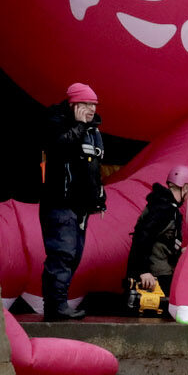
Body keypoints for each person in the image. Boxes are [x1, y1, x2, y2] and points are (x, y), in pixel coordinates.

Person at [37, 83, 108, 321]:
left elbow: (94, 167)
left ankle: (59, 303)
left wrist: (100, 197)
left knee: (74, 254)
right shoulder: (56, 121)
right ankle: (55, 306)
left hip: (81, 206)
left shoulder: (93, 130)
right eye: (87, 104)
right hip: (59, 202)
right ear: (74, 104)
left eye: (94, 105)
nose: (91, 109)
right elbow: (59, 148)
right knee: (62, 253)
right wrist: (78, 126)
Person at [125, 166, 188, 308]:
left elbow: (161, 241)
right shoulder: (163, 208)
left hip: (162, 273)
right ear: (186, 188)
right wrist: (143, 271)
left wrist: (179, 251)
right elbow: (142, 237)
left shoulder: (169, 208)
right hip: (154, 278)